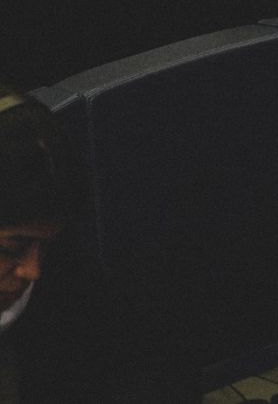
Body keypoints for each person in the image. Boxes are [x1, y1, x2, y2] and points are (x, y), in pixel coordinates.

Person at [0, 82, 197, 402]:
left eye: (45, 246)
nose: (33, 270)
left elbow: (148, 366)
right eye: (10, 249)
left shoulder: (66, 274)